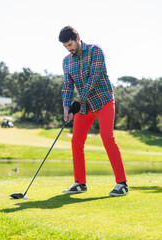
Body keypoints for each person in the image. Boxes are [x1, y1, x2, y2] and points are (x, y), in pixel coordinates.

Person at [59, 26, 129, 197]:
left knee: (107, 137)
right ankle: (80, 183)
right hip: (85, 106)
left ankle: (122, 183)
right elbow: (67, 85)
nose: (69, 49)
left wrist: (79, 100)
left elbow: (94, 78)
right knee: (76, 141)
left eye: (70, 44)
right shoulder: (67, 61)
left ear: (78, 38)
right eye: (66, 46)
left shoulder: (95, 51)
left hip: (103, 99)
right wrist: (66, 108)